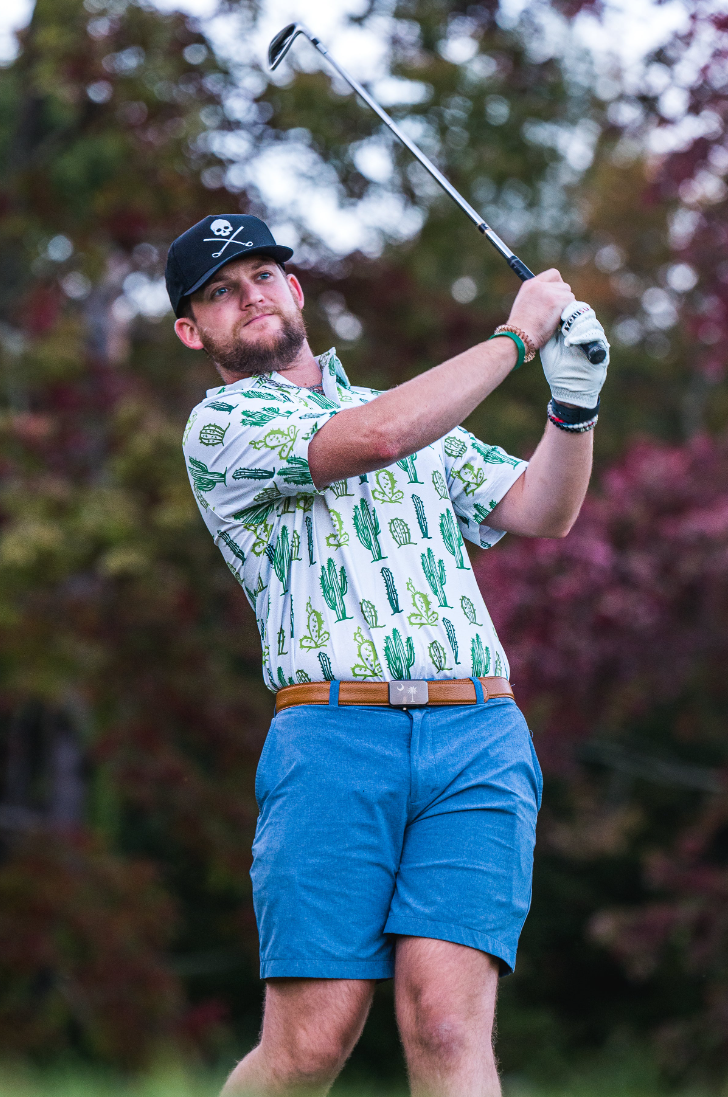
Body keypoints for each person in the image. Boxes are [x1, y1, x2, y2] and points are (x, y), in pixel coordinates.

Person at [167, 213, 609, 1097]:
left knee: (447, 1024)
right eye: (218, 290)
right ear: (193, 331)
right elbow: (376, 439)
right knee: (310, 1043)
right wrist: (518, 336)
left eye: (260, 275)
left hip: (477, 732)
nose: (247, 295)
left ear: (294, 290)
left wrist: (574, 404)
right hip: (333, 736)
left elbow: (541, 509)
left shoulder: (408, 410)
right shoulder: (223, 426)